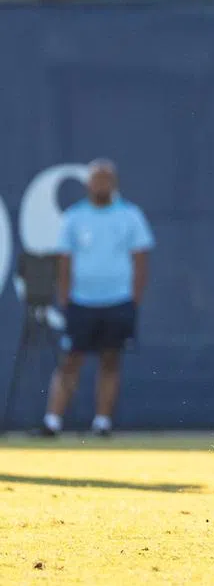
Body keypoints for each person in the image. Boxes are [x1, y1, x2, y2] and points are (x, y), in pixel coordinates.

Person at [38, 159, 154, 438]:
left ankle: (102, 423)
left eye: (106, 179)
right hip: (81, 303)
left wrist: (133, 300)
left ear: (113, 184)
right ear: (88, 184)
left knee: (110, 360)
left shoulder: (130, 215)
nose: (101, 184)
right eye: (96, 179)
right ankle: (52, 422)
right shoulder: (74, 217)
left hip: (118, 302)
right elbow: (64, 262)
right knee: (70, 361)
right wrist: (65, 299)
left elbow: (140, 261)